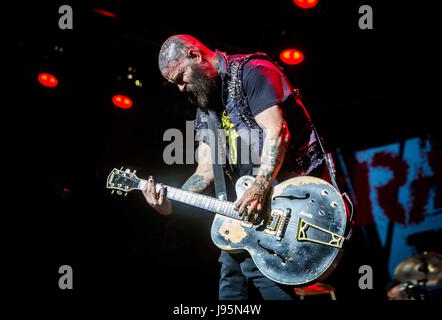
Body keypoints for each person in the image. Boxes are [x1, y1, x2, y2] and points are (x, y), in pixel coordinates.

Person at [142, 34, 333, 300]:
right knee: (231, 280)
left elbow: (277, 132)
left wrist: (259, 187)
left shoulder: (252, 71)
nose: (180, 89)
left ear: (195, 56)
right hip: (250, 209)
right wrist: (170, 202)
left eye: (180, 78)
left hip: (292, 199)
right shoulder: (207, 106)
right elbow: (204, 172)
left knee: (254, 275)